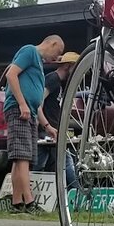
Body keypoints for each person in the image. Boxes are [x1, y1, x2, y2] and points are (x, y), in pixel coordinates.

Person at [2, 35, 64, 213]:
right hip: (19, 110)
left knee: (19, 158)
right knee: (23, 157)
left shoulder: (39, 64)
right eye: (57, 52)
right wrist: (21, 103)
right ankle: (29, 201)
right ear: (52, 43)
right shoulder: (29, 51)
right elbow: (11, 74)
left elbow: (36, 103)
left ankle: (16, 202)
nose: (55, 58)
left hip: (29, 112)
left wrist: (47, 126)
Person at [35, 51, 81, 194]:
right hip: (48, 130)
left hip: (52, 129)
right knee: (66, 161)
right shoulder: (53, 79)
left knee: (40, 164)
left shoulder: (60, 83)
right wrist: (46, 126)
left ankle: (36, 196)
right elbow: (38, 103)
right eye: (76, 68)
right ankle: (77, 193)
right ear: (68, 66)